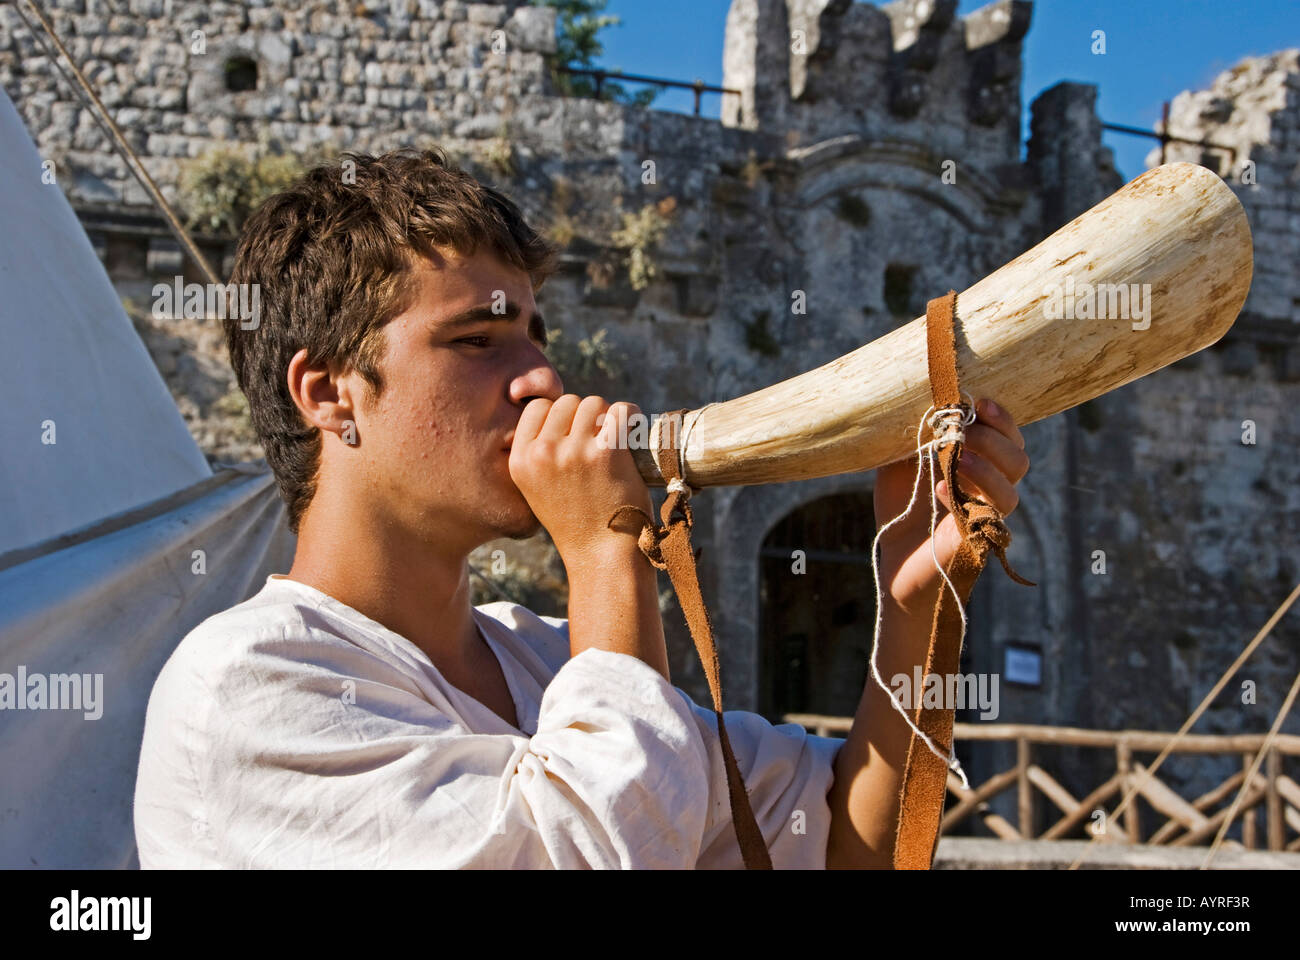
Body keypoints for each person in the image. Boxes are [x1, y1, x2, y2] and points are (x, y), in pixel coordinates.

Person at [133, 148, 1030, 869]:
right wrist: (607, 551)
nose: (541, 379)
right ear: (329, 395)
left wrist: (917, 602)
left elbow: (838, 843)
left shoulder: (555, 656)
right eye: (477, 340)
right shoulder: (248, 688)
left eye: (535, 336)